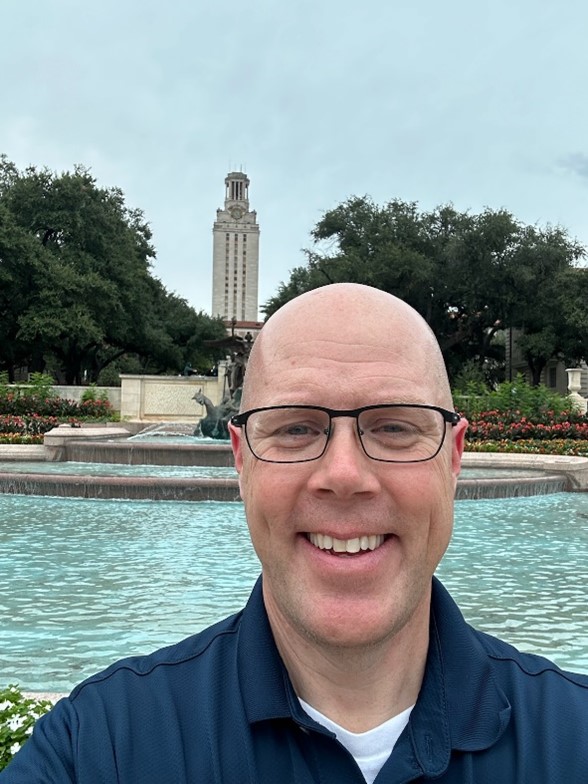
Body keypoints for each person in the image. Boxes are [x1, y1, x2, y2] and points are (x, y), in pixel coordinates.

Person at [3, 283, 587, 783]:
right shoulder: (99, 748)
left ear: (453, 458)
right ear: (241, 459)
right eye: (295, 429)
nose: (343, 476)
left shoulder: (574, 739)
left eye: (393, 427)